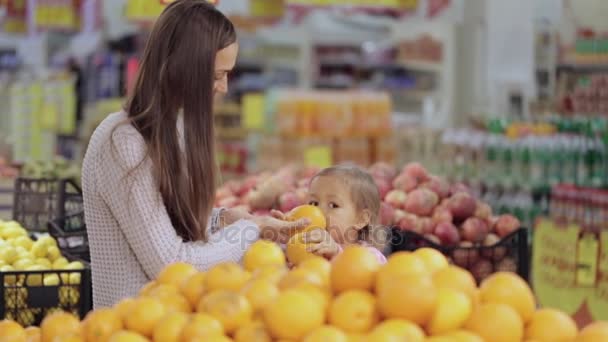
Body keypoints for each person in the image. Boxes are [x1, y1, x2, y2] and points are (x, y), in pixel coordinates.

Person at [82, 0, 307, 308]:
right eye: (216, 76)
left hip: (177, 323)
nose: (224, 88)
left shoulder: (174, 126)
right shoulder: (122, 142)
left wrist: (224, 220)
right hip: (131, 327)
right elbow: (172, 264)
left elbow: (165, 221)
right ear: (181, 68)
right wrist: (250, 229)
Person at [274, 165, 388, 263]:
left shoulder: (370, 256)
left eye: (333, 205)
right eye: (314, 203)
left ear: (361, 219)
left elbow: (368, 278)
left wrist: (336, 254)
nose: (319, 211)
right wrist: (284, 244)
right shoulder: (305, 245)